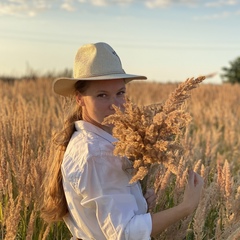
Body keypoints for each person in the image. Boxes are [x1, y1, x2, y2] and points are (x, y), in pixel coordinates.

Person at [41, 42, 204, 240]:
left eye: (120, 93)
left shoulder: (94, 140)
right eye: (102, 95)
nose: (115, 105)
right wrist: (186, 207)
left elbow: (104, 211)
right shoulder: (98, 153)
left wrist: (138, 202)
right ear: (79, 99)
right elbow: (125, 233)